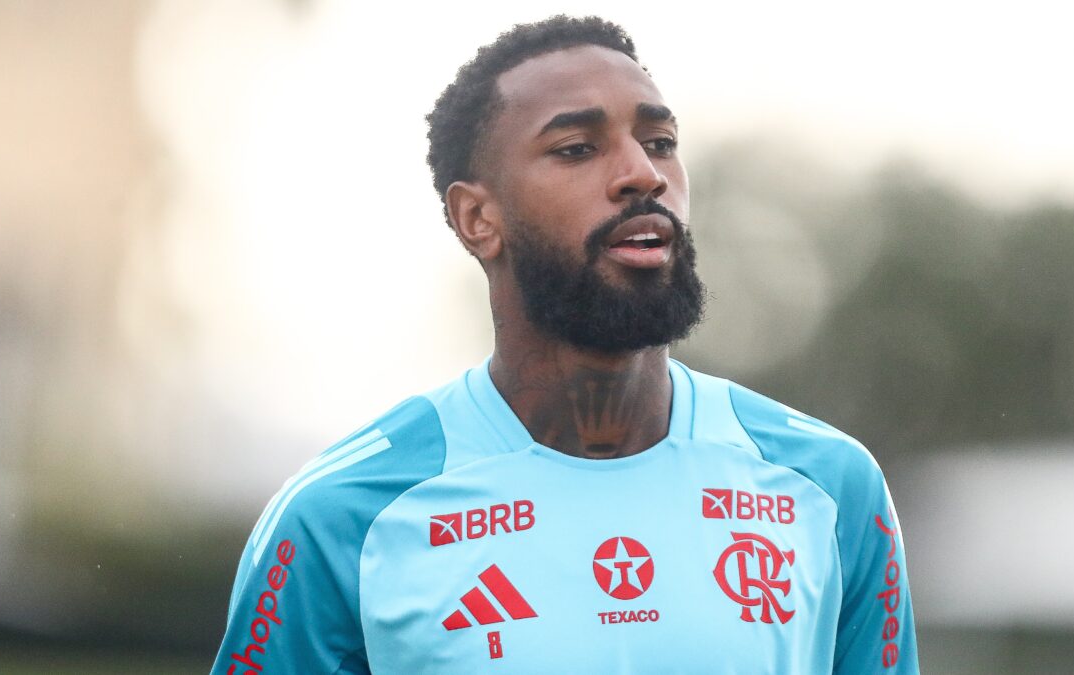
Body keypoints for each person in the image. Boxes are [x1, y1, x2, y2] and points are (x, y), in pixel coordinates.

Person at [212, 15, 918, 674]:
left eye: (660, 142)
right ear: (477, 218)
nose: (644, 174)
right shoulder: (344, 517)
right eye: (577, 149)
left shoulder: (828, 486)